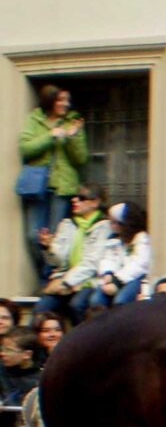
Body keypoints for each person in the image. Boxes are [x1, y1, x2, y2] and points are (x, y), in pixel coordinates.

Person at [19, 85, 87, 282]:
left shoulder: (73, 121)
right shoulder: (35, 119)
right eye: (61, 100)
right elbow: (25, 148)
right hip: (36, 186)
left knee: (56, 239)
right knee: (33, 236)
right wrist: (50, 136)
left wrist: (73, 137)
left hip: (62, 188)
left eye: (67, 100)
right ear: (50, 101)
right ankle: (46, 275)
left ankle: (49, 281)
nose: (66, 104)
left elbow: (81, 158)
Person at [33, 184, 111, 325]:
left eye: (81, 198)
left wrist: (66, 283)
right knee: (41, 309)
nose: (74, 200)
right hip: (64, 279)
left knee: (77, 305)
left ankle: (82, 338)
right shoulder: (67, 224)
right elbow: (58, 262)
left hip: (89, 280)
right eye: (74, 197)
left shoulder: (105, 226)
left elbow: (91, 263)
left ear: (95, 202)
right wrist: (49, 247)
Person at [90, 202, 150, 308]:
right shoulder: (113, 238)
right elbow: (107, 258)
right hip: (114, 278)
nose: (111, 225)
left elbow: (140, 264)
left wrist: (117, 281)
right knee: (96, 300)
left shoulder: (142, 238)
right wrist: (108, 273)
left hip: (135, 278)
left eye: (114, 222)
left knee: (120, 301)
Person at [0, 327, 40, 406]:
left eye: (8, 350)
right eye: (2, 349)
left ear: (27, 354)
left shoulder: (40, 380)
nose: (2, 353)